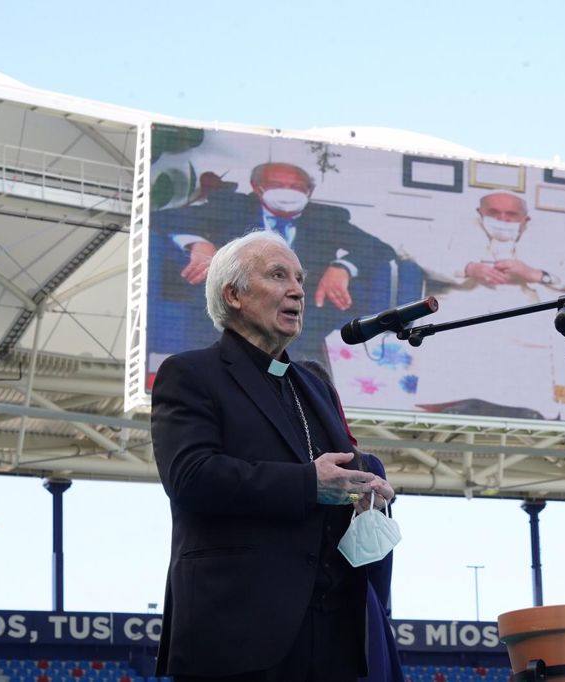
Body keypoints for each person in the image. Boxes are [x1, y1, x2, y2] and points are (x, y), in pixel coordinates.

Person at [151, 230, 395, 681]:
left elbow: (339, 472)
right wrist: (309, 484)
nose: (298, 290)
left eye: (300, 278)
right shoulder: (190, 373)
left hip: (333, 635)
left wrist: (366, 490)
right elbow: (190, 477)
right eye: (278, 275)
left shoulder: (315, 385)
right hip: (240, 633)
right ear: (234, 294)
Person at [406, 192, 565, 423]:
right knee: (455, 327)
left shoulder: (555, 236)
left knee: (552, 332)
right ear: (480, 214)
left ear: (525, 219)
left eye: (511, 214)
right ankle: (458, 401)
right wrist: (468, 268)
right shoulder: (452, 227)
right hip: (467, 297)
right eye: (494, 213)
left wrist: (535, 273)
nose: (502, 219)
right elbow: (415, 252)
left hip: (530, 301)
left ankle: (533, 407)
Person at [152, 161, 396, 366]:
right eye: (277, 186)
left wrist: (342, 267)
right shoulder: (232, 207)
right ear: (257, 188)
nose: (288, 192)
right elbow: (163, 218)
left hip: (296, 338)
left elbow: (379, 248)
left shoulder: (325, 218)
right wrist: (198, 244)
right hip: (226, 331)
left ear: (309, 192)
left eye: (297, 187)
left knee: (303, 395)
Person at [299, 360, 405, 682]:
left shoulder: (272, 468)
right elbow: (380, 564)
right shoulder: (366, 465)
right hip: (358, 614)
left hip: (300, 617)